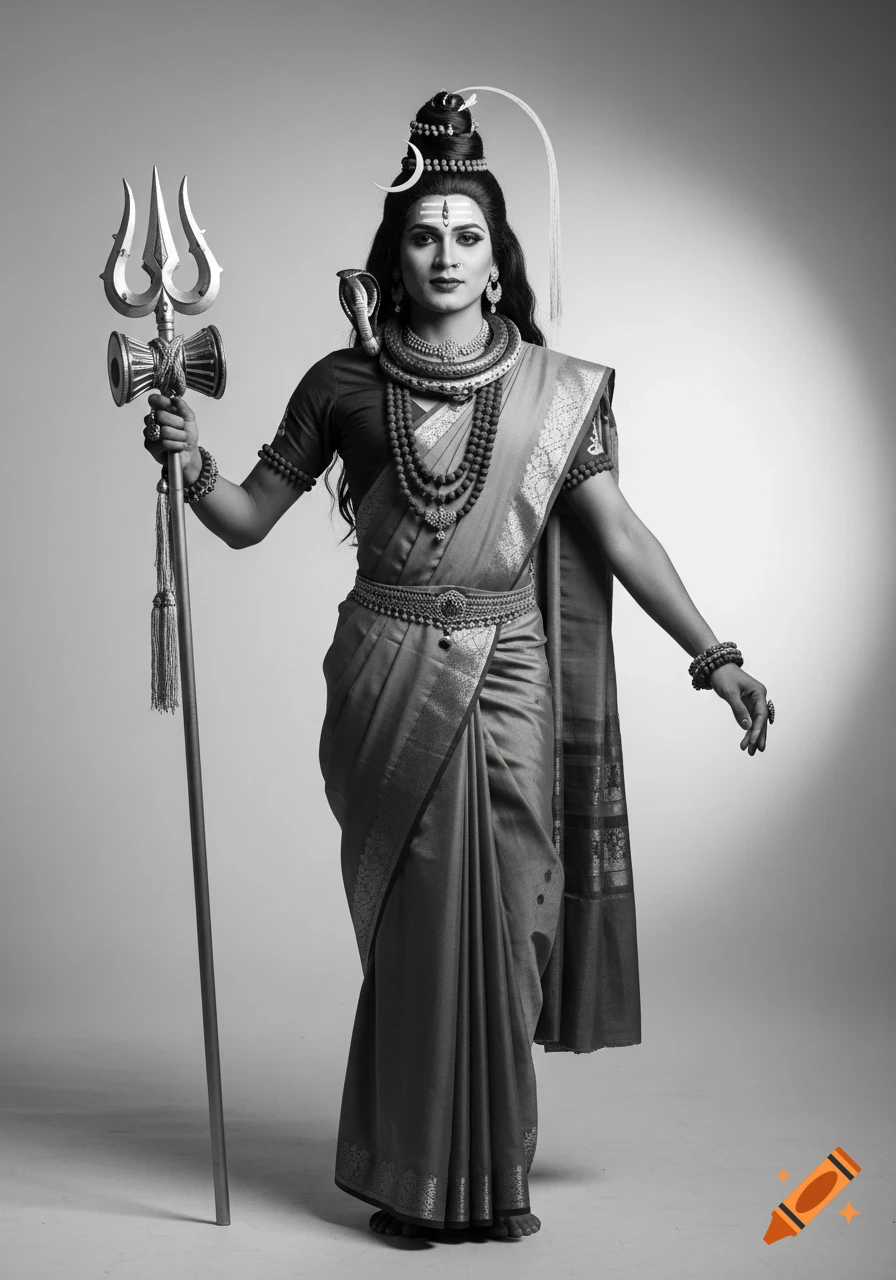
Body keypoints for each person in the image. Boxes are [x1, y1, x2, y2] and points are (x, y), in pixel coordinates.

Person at [141, 90, 773, 1242]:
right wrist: (190, 465)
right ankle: (410, 1180)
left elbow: (618, 532)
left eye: (466, 234)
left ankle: (496, 1173)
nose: (444, 251)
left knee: (510, 923)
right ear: (396, 254)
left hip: (511, 673)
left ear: (496, 263)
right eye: (423, 232)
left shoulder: (554, 392)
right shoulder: (342, 382)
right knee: (421, 920)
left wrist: (712, 653)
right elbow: (243, 521)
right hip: (386, 667)